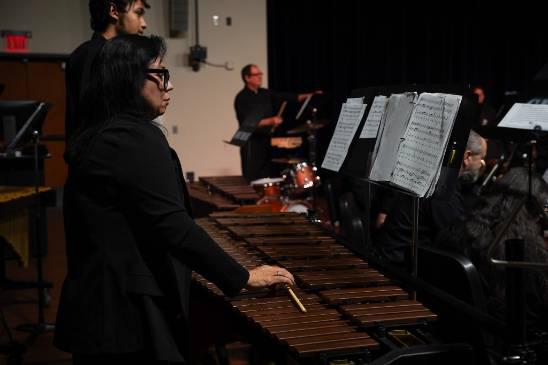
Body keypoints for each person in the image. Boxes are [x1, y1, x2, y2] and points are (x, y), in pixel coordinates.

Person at [54, 35, 295, 364]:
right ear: (130, 77)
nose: (170, 85)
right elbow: (174, 227)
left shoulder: (103, 132)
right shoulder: (133, 137)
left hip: (105, 310)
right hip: (124, 315)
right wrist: (243, 277)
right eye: (160, 73)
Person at [435, 167, 548, 334]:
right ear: (530, 209)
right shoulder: (521, 252)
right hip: (503, 338)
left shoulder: (459, 229)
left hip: (455, 327)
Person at [373, 130, 487, 264]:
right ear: (467, 157)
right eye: (481, 158)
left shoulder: (432, 176)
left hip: (394, 256)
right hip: (398, 267)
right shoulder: (443, 191)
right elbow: (458, 240)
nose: (482, 164)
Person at [65, 0, 149, 142]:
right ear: (113, 11)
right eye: (138, 13)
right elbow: (89, 118)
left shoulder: (117, 56)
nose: (144, 24)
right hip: (100, 156)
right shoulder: (91, 55)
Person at [234, 64, 320, 181]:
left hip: (265, 141)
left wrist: (309, 96)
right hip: (250, 144)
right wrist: (271, 120)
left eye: (260, 74)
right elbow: (247, 123)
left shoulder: (264, 93)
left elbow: (288, 97)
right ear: (247, 78)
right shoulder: (242, 98)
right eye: (256, 74)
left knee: (266, 178)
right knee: (253, 180)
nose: (260, 77)